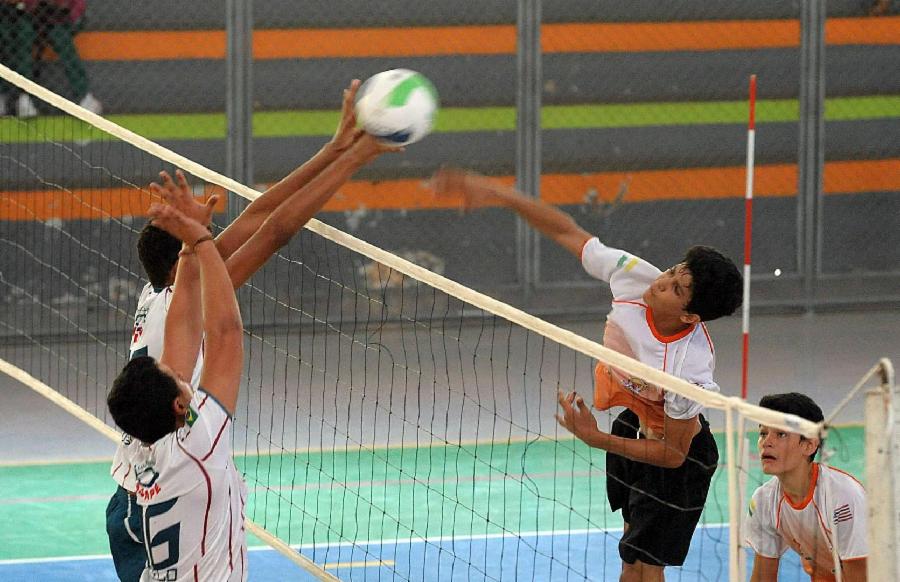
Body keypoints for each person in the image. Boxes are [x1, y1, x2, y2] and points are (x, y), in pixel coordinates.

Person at [106, 81, 399, 581]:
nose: (216, 245)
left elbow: (256, 215)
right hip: (152, 496)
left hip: (140, 489)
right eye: (203, 247)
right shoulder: (182, 303)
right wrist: (357, 158)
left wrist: (334, 148)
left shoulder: (160, 294)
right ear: (182, 266)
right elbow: (274, 232)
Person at [429, 168, 742, 581]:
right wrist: (501, 194)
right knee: (632, 557)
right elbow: (567, 231)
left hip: (679, 457)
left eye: (676, 288)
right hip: (634, 424)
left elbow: (673, 453)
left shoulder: (691, 366)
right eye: (671, 271)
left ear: (689, 314)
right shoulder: (635, 276)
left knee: (645, 567)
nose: (662, 282)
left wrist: (596, 439)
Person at [747, 393, 867, 582]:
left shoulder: (843, 497)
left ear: (809, 445)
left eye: (781, 434)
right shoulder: (764, 501)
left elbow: (863, 577)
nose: (767, 442)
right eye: (763, 433)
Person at [1, 1, 100, 118]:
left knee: (60, 39)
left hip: (54, 16)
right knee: (18, 37)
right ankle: (22, 96)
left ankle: (85, 96)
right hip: (19, 15)